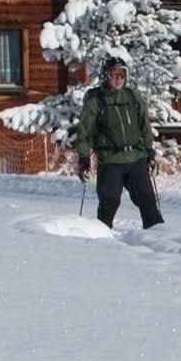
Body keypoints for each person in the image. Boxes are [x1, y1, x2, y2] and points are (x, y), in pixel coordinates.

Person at [72, 58, 164, 231]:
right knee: (109, 203)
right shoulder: (96, 101)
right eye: (115, 75)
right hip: (110, 161)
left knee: (148, 201)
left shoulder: (132, 96)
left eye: (122, 75)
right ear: (106, 76)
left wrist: (150, 153)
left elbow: (145, 126)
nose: (119, 79)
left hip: (136, 158)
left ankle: (159, 240)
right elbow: (84, 134)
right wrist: (84, 161)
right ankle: (101, 242)